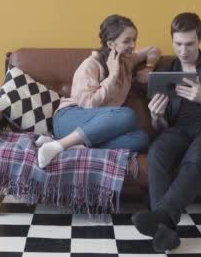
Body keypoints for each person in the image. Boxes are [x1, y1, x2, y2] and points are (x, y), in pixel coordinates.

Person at [132, 12, 201, 252]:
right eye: (178, 44)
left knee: (198, 152)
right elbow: (162, 127)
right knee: (158, 150)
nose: (183, 50)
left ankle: (160, 215)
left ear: (200, 40)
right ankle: (166, 232)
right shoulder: (166, 70)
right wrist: (156, 115)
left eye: (190, 44)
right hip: (179, 129)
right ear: (172, 40)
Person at [37, 14, 161, 168]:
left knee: (142, 138)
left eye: (134, 39)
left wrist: (149, 67)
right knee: (127, 114)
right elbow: (89, 105)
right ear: (111, 44)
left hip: (97, 128)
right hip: (70, 118)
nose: (133, 45)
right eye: (127, 41)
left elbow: (153, 49)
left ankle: (72, 146)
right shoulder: (91, 65)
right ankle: (59, 145)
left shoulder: (127, 61)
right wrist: (113, 76)